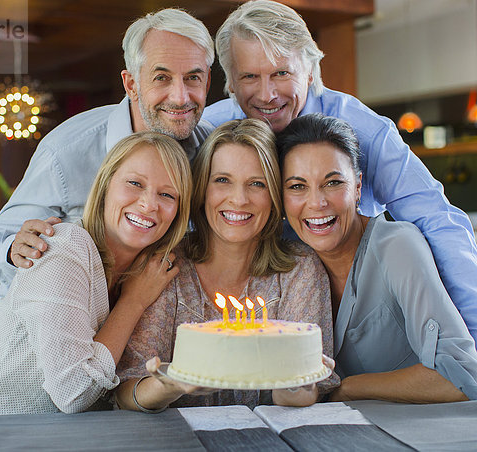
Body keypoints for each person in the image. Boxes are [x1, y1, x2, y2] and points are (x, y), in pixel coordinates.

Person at [202, 0, 477, 345]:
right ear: (230, 82)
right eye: (250, 77)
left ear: (311, 71)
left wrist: (473, 339)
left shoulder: (365, 130)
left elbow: (436, 221)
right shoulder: (210, 133)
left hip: (360, 317)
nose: (267, 94)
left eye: (282, 73)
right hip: (260, 316)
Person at [0, 132, 192, 415]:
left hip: (60, 437)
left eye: (167, 194)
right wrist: (133, 302)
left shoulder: (150, 269)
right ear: (105, 185)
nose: (149, 204)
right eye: (134, 183)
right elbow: (74, 393)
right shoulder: (64, 247)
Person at [0, 8, 214, 293]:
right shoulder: (67, 149)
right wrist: (15, 249)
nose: (180, 97)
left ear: (208, 82)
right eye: (161, 78)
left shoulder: (211, 148)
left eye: (193, 78)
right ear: (131, 84)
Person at [113, 119, 338, 412]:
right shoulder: (164, 265)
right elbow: (126, 392)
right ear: (202, 188)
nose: (239, 199)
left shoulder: (299, 270)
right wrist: (171, 384)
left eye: (256, 184)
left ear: (274, 195)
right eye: (222, 180)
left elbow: (306, 394)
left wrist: (295, 385)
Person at [277, 113, 477, 403]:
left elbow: (460, 377)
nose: (317, 203)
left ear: (357, 186)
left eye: (333, 183)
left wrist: (344, 389)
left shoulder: (396, 245)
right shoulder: (288, 257)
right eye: (297, 186)